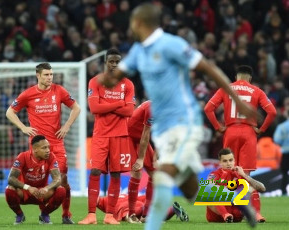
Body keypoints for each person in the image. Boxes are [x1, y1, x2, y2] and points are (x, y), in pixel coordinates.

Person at [99, 3, 258, 230]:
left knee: (163, 174)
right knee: (191, 189)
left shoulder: (172, 45)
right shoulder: (138, 50)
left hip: (185, 121)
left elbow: (208, 68)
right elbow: (116, 75)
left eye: (132, 22)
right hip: (164, 130)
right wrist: (106, 80)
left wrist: (238, 100)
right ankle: (239, 204)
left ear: (140, 23)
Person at [6, 62, 80, 224]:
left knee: (62, 179)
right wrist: (23, 127)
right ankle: (43, 214)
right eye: (46, 75)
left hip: (57, 144)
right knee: (39, 180)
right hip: (38, 147)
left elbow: (76, 108)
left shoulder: (59, 90)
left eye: (51, 74)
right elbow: (10, 112)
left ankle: (66, 215)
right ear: (38, 75)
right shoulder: (28, 94)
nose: (50, 77)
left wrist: (66, 126)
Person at [204, 65, 276, 221]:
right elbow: (272, 112)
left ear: (236, 77)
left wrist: (218, 127)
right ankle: (255, 213)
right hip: (249, 133)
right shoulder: (257, 91)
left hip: (230, 132)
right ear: (249, 78)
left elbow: (208, 108)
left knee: (226, 172)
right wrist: (261, 129)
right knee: (244, 176)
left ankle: (226, 211)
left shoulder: (226, 88)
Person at [78, 48, 135, 225]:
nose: (114, 65)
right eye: (111, 61)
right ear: (105, 62)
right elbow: (94, 108)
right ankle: (91, 215)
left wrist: (107, 104)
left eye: (118, 62)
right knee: (95, 171)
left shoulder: (128, 84)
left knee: (116, 174)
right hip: (100, 134)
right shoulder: (95, 82)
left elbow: (130, 110)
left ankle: (110, 215)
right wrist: (119, 103)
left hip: (120, 135)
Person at [5, 135, 65, 225]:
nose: (48, 150)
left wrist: (46, 188)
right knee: (9, 189)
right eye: (44, 148)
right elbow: (11, 178)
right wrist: (28, 187)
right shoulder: (23, 156)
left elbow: (58, 179)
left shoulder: (51, 157)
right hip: (25, 192)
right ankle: (19, 215)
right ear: (35, 149)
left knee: (61, 190)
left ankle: (44, 215)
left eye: (48, 147)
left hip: (42, 193)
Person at [206, 148, 266, 223]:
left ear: (234, 161)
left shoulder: (239, 173)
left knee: (252, 189)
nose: (228, 163)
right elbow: (208, 186)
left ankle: (256, 215)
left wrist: (244, 175)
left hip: (235, 213)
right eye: (225, 161)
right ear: (220, 163)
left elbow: (262, 188)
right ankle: (225, 215)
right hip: (217, 216)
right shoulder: (215, 174)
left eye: (230, 160)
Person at [126, 100, 156, 224]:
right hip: (129, 136)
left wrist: (156, 157)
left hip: (142, 139)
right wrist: (141, 158)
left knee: (155, 174)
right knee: (137, 172)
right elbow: (145, 134)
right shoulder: (152, 107)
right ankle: (131, 214)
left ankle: (146, 215)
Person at [97, 194, 189, 223]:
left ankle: (148, 214)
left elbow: (97, 201)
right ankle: (172, 209)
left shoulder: (107, 201)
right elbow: (143, 197)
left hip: (126, 207)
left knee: (129, 216)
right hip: (136, 201)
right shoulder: (122, 195)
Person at [273, 110, 289, 195]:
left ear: (287, 114)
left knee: (285, 173)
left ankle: (284, 191)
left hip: (286, 152)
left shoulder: (282, 126)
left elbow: (277, 139)